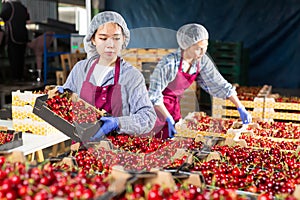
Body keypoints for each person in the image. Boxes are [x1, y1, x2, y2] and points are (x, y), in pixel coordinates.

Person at [61, 11, 156, 141]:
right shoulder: (80, 70)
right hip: (81, 151)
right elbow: (65, 109)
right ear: (93, 39)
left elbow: (147, 117)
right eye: (103, 38)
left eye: (116, 38)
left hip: (117, 152)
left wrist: (118, 123)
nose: (110, 45)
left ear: (124, 39)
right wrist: (60, 97)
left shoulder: (131, 76)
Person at [148, 23, 252, 139]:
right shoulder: (169, 64)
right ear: (186, 46)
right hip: (157, 109)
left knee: (172, 142)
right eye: (198, 48)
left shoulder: (201, 61)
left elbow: (219, 84)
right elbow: (153, 95)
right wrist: (167, 117)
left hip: (174, 106)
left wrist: (240, 107)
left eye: (205, 47)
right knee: (155, 143)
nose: (203, 52)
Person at [0, 0, 30, 81]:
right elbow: (27, 19)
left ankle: (15, 78)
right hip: (23, 36)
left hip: (13, 35)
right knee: (21, 58)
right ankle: (20, 77)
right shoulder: (23, 7)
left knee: (14, 58)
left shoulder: (8, 6)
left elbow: (1, 17)